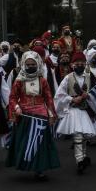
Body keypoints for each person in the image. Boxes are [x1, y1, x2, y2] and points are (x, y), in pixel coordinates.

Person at [6, 52, 59, 180]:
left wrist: (51, 114)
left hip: (41, 115)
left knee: (40, 143)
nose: (30, 66)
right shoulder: (19, 80)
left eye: (33, 64)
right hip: (24, 115)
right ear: (24, 64)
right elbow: (12, 97)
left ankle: (40, 169)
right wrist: (17, 107)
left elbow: (49, 98)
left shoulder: (43, 80)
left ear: (38, 64)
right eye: (28, 64)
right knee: (25, 142)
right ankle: (26, 163)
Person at [55, 51, 96, 174]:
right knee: (78, 135)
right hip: (74, 110)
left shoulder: (89, 76)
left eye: (82, 63)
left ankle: (84, 156)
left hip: (86, 109)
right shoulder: (68, 78)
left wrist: (89, 95)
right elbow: (59, 95)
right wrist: (72, 99)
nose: (79, 65)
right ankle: (79, 160)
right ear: (72, 65)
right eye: (77, 63)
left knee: (85, 135)